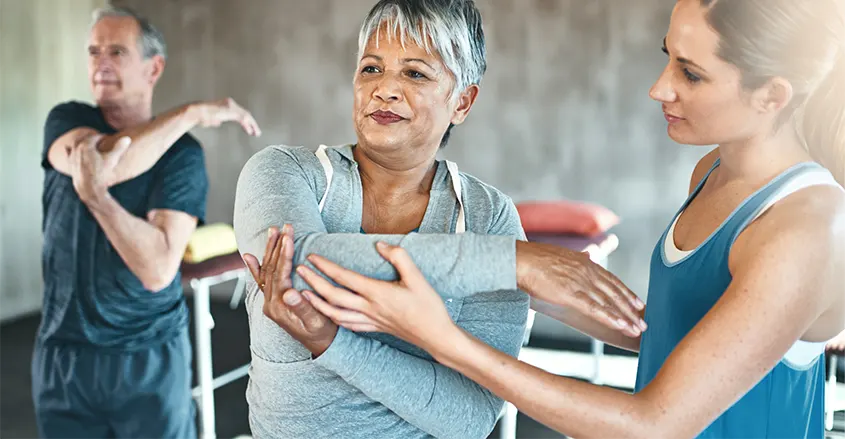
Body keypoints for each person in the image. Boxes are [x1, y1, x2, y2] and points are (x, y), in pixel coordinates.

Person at [284, 0, 845, 438]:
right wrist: (527, 277)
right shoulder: (709, 171)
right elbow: (685, 334)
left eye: (691, 74)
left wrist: (441, 337)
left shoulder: (805, 227)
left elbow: (656, 425)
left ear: (772, 95)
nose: (660, 87)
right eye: (667, 54)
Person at [233, 1, 644, 438]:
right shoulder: (283, 171)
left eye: (415, 73)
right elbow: (297, 264)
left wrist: (331, 343)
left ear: (463, 101)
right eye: (371, 68)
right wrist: (511, 263)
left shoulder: (487, 217)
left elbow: (469, 419)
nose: (385, 89)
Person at [33, 6, 261, 439]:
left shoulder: (182, 155)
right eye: (94, 51)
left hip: (146, 358)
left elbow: (157, 269)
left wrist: (96, 197)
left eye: (117, 51)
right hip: (64, 356)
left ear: (153, 68)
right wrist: (193, 112)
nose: (101, 62)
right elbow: (105, 162)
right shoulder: (66, 120)